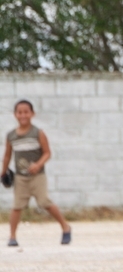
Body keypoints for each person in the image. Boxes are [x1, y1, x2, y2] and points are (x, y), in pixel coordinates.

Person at [2, 99, 71, 247]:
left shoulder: (38, 133)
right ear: (15, 114)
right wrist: (3, 171)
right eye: (19, 112)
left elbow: (47, 153)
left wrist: (38, 164)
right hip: (21, 177)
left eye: (26, 112)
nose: (23, 115)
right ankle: (12, 236)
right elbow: (7, 155)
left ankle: (65, 227)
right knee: (17, 206)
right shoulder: (11, 136)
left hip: (37, 176)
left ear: (32, 114)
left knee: (44, 202)